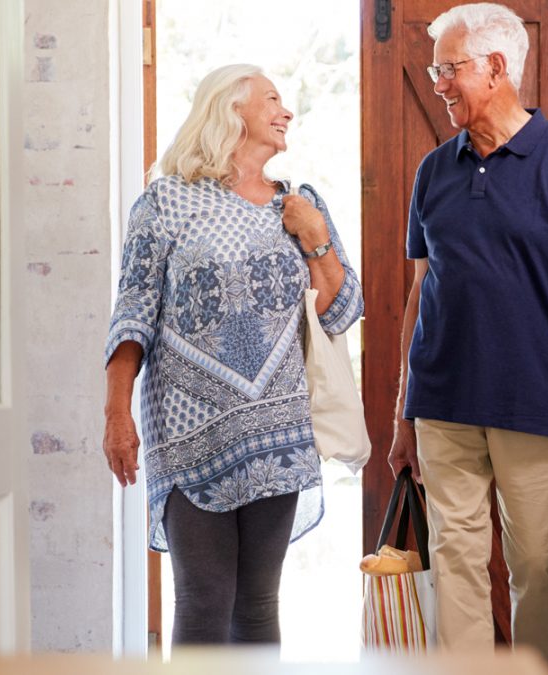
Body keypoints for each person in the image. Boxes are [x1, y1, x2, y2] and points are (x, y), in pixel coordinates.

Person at [386, 3, 548, 671]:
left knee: (537, 564)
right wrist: (401, 415)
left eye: (449, 68)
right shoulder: (433, 172)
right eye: (435, 70)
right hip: (443, 403)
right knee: (457, 561)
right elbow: (418, 295)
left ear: (496, 67)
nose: (438, 82)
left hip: (533, 399)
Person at [103, 64, 363, 646]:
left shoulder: (299, 205)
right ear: (230, 111)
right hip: (191, 435)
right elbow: (133, 314)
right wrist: (115, 413)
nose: (286, 110)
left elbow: (342, 309)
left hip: (279, 432)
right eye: (271, 98)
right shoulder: (165, 201)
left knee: (258, 606)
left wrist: (316, 235)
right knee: (201, 602)